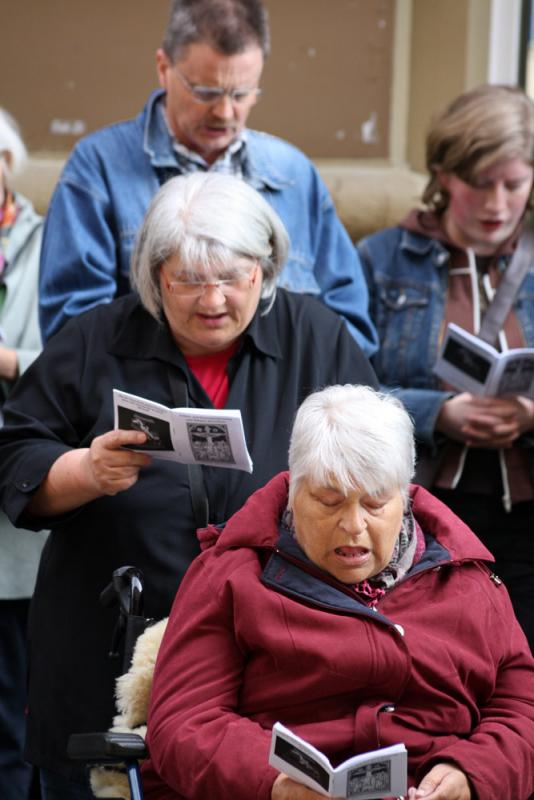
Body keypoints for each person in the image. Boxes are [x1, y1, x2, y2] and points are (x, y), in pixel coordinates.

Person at [0, 172, 377, 799]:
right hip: (109, 657)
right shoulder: (96, 339)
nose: (214, 300)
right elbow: (16, 456)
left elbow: (380, 468)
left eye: (233, 278)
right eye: (189, 280)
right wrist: (87, 471)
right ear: (155, 277)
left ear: (264, 270)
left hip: (275, 660)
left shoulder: (315, 337)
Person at [141, 384, 534, 800]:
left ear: (405, 498)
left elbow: (522, 708)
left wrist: (471, 773)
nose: (353, 525)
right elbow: (186, 721)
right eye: (329, 502)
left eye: (375, 504)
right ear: (294, 492)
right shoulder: (230, 575)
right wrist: (274, 784)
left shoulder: (467, 576)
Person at [38, 0, 378, 356]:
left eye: (242, 93)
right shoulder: (98, 169)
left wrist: (280, 378)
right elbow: (73, 342)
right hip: (144, 392)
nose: (225, 112)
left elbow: (350, 338)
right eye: (206, 92)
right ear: (163, 68)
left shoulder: (294, 175)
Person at [357, 84, 534, 652]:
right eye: (480, 183)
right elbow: (346, 390)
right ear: (444, 176)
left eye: (514, 184)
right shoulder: (384, 259)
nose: (497, 203)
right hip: (421, 517)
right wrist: (439, 414)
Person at [0, 108, 45, 800]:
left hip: (16, 537)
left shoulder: (50, 243)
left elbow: (81, 369)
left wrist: (8, 360)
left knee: (12, 713)